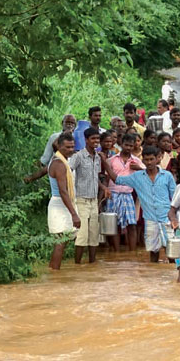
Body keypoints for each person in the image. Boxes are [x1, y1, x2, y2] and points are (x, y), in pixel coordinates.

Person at [105, 145, 176, 263]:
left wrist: (175, 217)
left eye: (151, 159)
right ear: (142, 160)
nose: (149, 162)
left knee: (171, 251)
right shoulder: (137, 177)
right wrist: (105, 163)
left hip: (166, 218)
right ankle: (153, 276)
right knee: (153, 251)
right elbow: (117, 179)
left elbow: (175, 197)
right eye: (146, 160)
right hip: (150, 219)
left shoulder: (167, 176)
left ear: (157, 159)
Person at [69, 128, 111, 264]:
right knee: (82, 234)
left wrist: (103, 187)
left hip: (93, 200)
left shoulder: (98, 157)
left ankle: (92, 265)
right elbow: (67, 171)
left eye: (97, 139)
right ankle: (77, 265)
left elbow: (96, 177)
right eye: (93, 139)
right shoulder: (79, 156)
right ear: (86, 140)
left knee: (94, 234)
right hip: (81, 199)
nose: (96, 142)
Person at [47, 134, 81, 270]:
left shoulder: (64, 161)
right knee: (60, 242)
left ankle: (54, 273)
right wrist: (74, 214)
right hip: (60, 205)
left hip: (65, 204)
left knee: (64, 241)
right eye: (67, 147)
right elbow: (63, 191)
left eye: (72, 146)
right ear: (59, 147)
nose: (71, 149)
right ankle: (54, 274)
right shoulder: (59, 163)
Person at [106, 133, 143, 251]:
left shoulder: (136, 161)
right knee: (115, 225)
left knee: (132, 224)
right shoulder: (111, 160)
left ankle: (132, 253)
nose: (128, 148)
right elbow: (107, 178)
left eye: (131, 146)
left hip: (128, 194)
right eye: (126, 145)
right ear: (121, 144)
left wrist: (139, 168)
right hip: (113, 194)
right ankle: (117, 252)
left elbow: (147, 173)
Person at [24, 114, 76, 183]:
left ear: (75, 125)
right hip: (57, 170)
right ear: (62, 123)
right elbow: (45, 158)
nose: (69, 125)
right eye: (67, 122)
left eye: (72, 123)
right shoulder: (54, 137)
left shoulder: (78, 138)